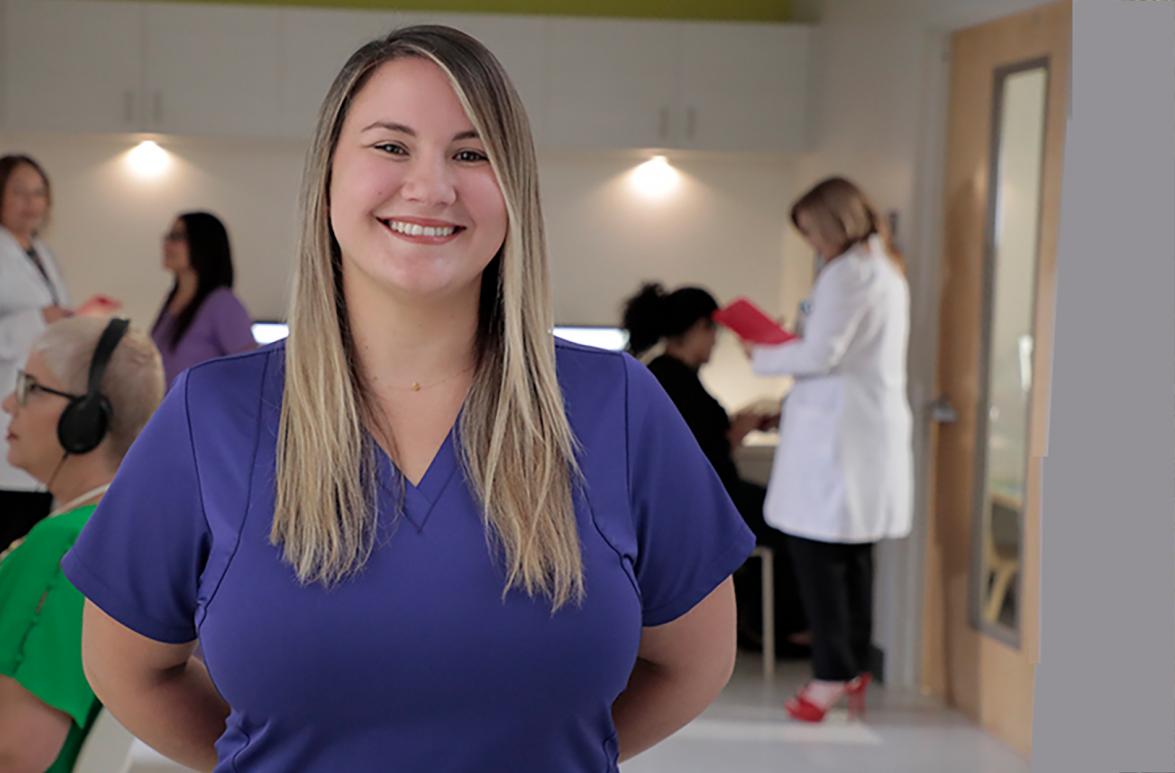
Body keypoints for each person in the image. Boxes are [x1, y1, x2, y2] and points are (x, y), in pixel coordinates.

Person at [62, 25, 755, 772]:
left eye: (471, 151)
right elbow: (127, 667)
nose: (430, 186)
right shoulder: (211, 415)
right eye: (390, 146)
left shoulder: (617, 406)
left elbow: (693, 662)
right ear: (328, 173)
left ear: (512, 189)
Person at [745, 176, 913, 722]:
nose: (813, 245)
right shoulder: (882, 268)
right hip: (857, 431)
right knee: (853, 555)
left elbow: (822, 354)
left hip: (838, 436)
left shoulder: (849, 275)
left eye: (814, 234)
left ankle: (830, 675)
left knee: (819, 557)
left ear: (835, 224)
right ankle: (853, 663)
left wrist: (762, 351)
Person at [0, 316, 164, 772]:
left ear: (85, 419)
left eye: (31, 387)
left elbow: (17, 751)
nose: (9, 402)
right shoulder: (121, 531)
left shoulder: (67, 547)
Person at [621, 282, 808, 651]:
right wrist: (735, 432)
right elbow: (701, 450)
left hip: (696, 499)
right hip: (701, 503)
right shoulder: (672, 379)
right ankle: (786, 629)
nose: (715, 342)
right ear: (696, 329)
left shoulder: (666, 375)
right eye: (713, 332)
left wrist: (739, 426)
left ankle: (766, 625)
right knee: (788, 520)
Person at [0, 154, 120, 554]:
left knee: (29, 521)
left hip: (36, 396)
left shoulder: (42, 252)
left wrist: (65, 319)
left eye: (38, 193)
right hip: (10, 395)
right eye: (19, 192)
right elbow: (31, 320)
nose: (31, 202)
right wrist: (38, 317)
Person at [150, 211, 257, 388]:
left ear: (202, 243)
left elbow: (251, 372)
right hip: (167, 413)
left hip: (201, 414)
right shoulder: (171, 302)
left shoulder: (222, 304)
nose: (167, 245)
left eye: (177, 237)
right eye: (168, 236)